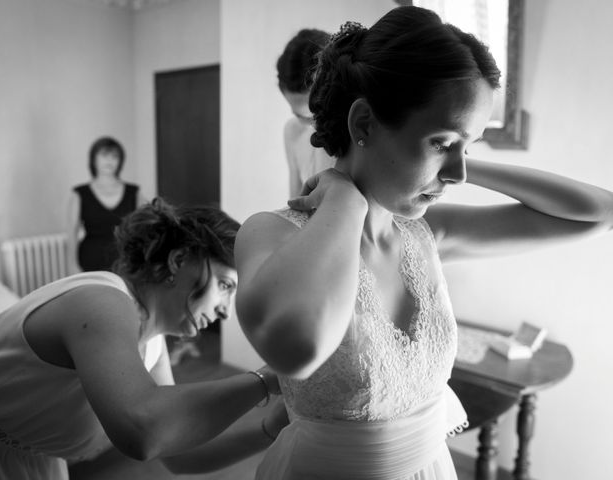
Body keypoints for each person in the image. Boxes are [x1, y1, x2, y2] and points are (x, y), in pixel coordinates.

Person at [234, 6, 613, 480]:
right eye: (441, 142)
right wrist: (345, 203)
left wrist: (457, 156)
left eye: (468, 145)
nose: (457, 174)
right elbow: (299, 348)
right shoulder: (269, 232)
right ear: (365, 124)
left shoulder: (424, 234)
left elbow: (602, 213)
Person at [0, 199, 288, 480]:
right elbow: (143, 430)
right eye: (224, 285)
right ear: (178, 260)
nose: (225, 312)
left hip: (29, 461)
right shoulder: (99, 302)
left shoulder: (152, 344)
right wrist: (266, 379)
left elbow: (175, 454)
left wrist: (268, 432)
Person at [67, 136, 144, 273]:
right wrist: (72, 265)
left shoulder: (134, 193)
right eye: (104, 155)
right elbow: (72, 234)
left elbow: (145, 230)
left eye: (114, 156)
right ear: (93, 159)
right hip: (89, 262)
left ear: (120, 161)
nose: (109, 161)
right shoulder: (79, 194)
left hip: (125, 262)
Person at [277, 28, 335, 197]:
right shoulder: (292, 131)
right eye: (302, 116)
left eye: (319, 114)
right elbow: (295, 200)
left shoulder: (358, 132)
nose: (315, 126)